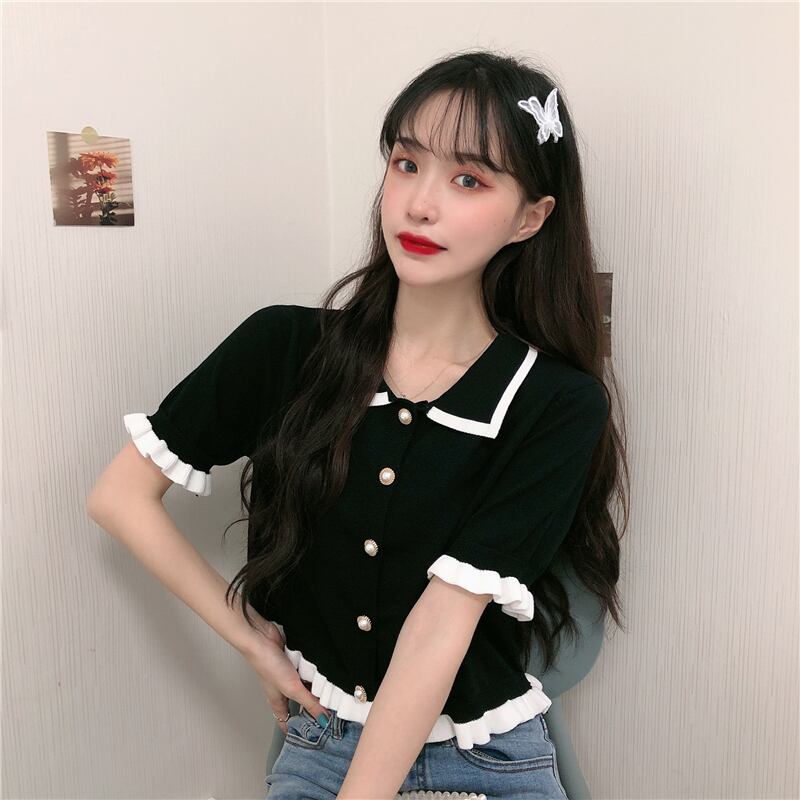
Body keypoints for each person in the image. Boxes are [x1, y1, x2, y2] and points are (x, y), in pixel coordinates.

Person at [88, 48, 628, 800]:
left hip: (484, 761)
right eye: (407, 164)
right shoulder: (285, 347)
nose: (420, 204)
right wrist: (252, 642)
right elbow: (119, 497)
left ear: (530, 218)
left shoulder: (556, 402)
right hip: (322, 744)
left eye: (468, 180)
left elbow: (442, 623)